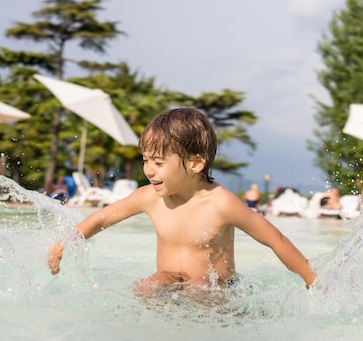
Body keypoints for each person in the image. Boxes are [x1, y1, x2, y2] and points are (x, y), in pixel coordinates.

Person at [48, 108, 317, 294]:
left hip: (219, 288)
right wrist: (64, 244)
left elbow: (275, 239)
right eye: (146, 160)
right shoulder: (150, 198)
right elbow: (102, 218)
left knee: (200, 287)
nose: (149, 170)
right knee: (149, 285)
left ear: (196, 162)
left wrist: (312, 280)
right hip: (171, 282)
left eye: (159, 162)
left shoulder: (220, 203)